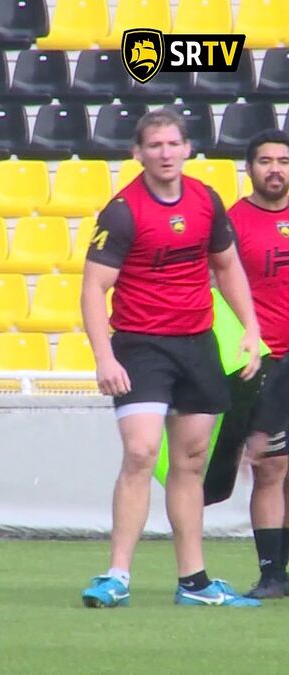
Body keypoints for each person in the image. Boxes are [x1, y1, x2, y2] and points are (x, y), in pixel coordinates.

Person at [79, 109, 262, 608]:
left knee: (191, 462)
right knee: (140, 453)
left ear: (187, 149)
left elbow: (226, 266)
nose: (164, 153)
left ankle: (194, 582)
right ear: (137, 153)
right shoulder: (121, 211)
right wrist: (103, 356)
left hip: (196, 344)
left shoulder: (205, 199)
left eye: (172, 144)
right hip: (140, 346)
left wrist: (250, 328)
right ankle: (117, 575)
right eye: (154, 145)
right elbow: (94, 288)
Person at [229, 130, 289, 599]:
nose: (275, 169)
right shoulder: (232, 223)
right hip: (266, 361)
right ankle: (272, 575)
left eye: (283, 161)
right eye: (265, 160)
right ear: (249, 168)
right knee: (270, 468)